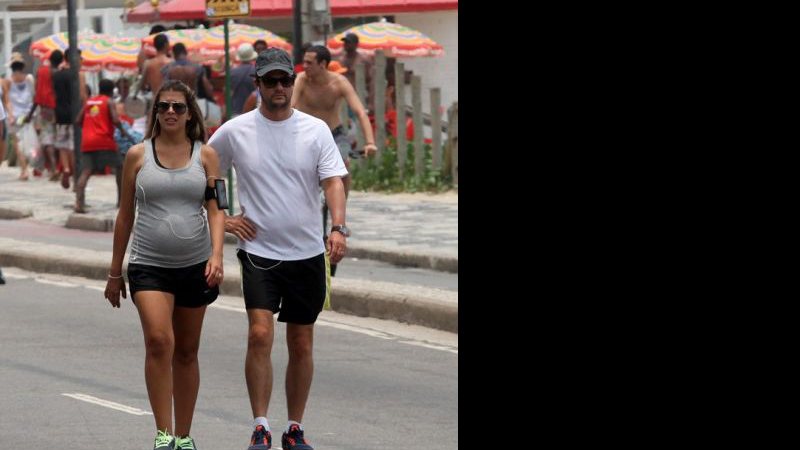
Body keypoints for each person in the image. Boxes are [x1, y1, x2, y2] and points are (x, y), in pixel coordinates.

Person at [208, 47, 349, 450]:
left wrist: (338, 228)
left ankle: (294, 428)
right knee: (258, 333)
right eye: (270, 81)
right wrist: (223, 217)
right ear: (258, 85)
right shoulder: (237, 130)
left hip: (307, 252)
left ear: (294, 81)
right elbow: (204, 165)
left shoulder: (315, 130)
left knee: (301, 341)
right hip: (259, 251)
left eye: (285, 80)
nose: (279, 88)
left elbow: (334, 181)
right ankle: (260, 426)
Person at [103, 80, 225, 450]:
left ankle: (185, 436)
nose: (170, 112)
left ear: (190, 114)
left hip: (195, 265)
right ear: (155, 113)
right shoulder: (138, 156)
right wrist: (114, 271)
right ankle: (163, 434)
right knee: (159, 340)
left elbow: (217, 209)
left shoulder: (206, 156)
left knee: (187, 351)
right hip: (148, 264)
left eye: (178, 107)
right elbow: (126, 215)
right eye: (164, 106)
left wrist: (217, 255)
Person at [73, 79, 131, 212]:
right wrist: (123, 132)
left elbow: (77, 120)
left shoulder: (89, 102)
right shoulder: (108, 101)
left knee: (86, 172)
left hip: (87, 142)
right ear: (111, 91)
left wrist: (88, 128)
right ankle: (120, 202)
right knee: (120, 167)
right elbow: (116, 119)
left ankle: (79, 204)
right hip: (104, 141)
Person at [52, 47, 87, 189]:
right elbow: (82, 96)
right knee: (74, 147)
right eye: (80, 58)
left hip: (60, 114)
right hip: (75, 114)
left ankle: (65, 168)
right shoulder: (78, 75)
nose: (81, 60)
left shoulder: (56, 75)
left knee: (62, 145)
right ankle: (75, 176)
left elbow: (53, 96)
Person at [338, 33, 374, 113]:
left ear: (356, 44)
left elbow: (372, 82)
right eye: (345, 42)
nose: (346, 44)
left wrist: (371, 102)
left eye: (348, 42)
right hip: (344, 98)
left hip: (360, 97)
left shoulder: (364, 59)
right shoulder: (341, 60)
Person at [229, 43, 257, 116]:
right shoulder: (257, 70)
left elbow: (227, 92)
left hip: (236, 111)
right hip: (253, 112)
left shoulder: (232, 72)